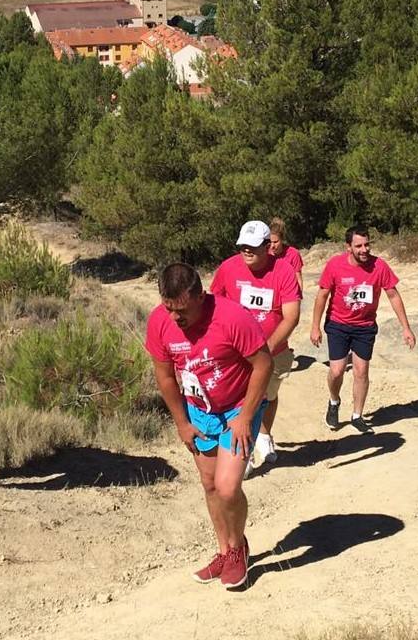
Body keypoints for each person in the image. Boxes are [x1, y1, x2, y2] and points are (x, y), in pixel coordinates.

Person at [144, 263, 272, 591]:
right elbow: (165, 376)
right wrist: (182, 423)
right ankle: (226, 550)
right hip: (199, 412)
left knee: (228, 486)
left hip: (237, 407)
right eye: (169, 308)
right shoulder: (160, 322)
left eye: (183, 310)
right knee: (210, 485)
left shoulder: (232, 318)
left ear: (201, 296)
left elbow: (263, 363)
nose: (175, 318)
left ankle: (238, 550)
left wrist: (245, 416)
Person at [210, 220, 302, 474]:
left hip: (275, 351)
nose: (247, 251)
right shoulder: (228, 268)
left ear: (266, 246)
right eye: (242, 247)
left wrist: (266, 349)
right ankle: (242, 454)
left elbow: (291, 315)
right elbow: (213, 306)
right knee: (241, 402)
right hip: (236, 353)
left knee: (268, 397)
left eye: (252, 247)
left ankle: (264, 435)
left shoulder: (282, 271)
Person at [309, 226, 416, 433]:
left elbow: (393, 295)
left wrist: (406, 328)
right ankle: (334, 401)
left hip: (364, 327)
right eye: (358, 246)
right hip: (338, 324)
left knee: (361, 370)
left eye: (367, 244)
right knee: (337, 370)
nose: (364, 249)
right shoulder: (335, 265)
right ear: (348, 247)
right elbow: (322, 295)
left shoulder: (379, 266)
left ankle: (357, 415)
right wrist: (315, 327)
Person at [268, 217, 304, 289]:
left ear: (282, 239)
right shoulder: (264, 253)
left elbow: (298, 278)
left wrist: (299, 297)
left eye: (275, 242)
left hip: (287, 291)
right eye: (270, 242)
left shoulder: (293, 254)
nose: (272, 246)